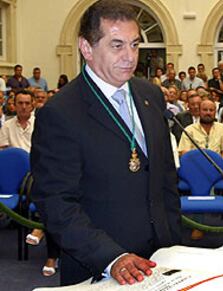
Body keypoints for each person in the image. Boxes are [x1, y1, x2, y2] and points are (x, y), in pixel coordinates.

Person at [30, 0, 181, 286]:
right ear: (86, 48)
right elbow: (57, 203)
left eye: (135, 45)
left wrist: (173, 242)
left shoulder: (151, 95)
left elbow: (165, 179)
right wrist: (112, 258)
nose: (130, 57)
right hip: (100, 266)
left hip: (162, 260)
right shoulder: (60, 112)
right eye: (117, 45)